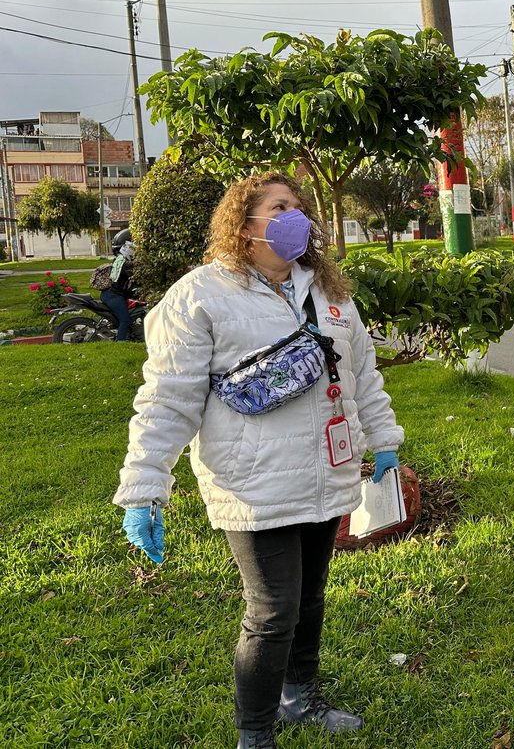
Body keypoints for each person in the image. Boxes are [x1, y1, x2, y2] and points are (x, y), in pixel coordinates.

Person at [112, 173, 405, 749]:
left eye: (298, 206)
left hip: (328, 472)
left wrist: (384, 436)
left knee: (310, 598)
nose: (296, 216)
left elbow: (362, 374)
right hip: (254, 483)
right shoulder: (202, 294)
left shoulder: (328, 293)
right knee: (272, 611)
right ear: (244, 226)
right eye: (279, 207)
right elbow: (168, 397)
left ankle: (300, 697)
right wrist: (145, 484)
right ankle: (255, 733)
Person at [99, 229, 138, 341]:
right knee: (125, 320)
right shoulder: (125, 264)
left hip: (110, 294)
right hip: (114, 296)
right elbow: (134, 275)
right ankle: (121, 342)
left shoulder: (119, 260)